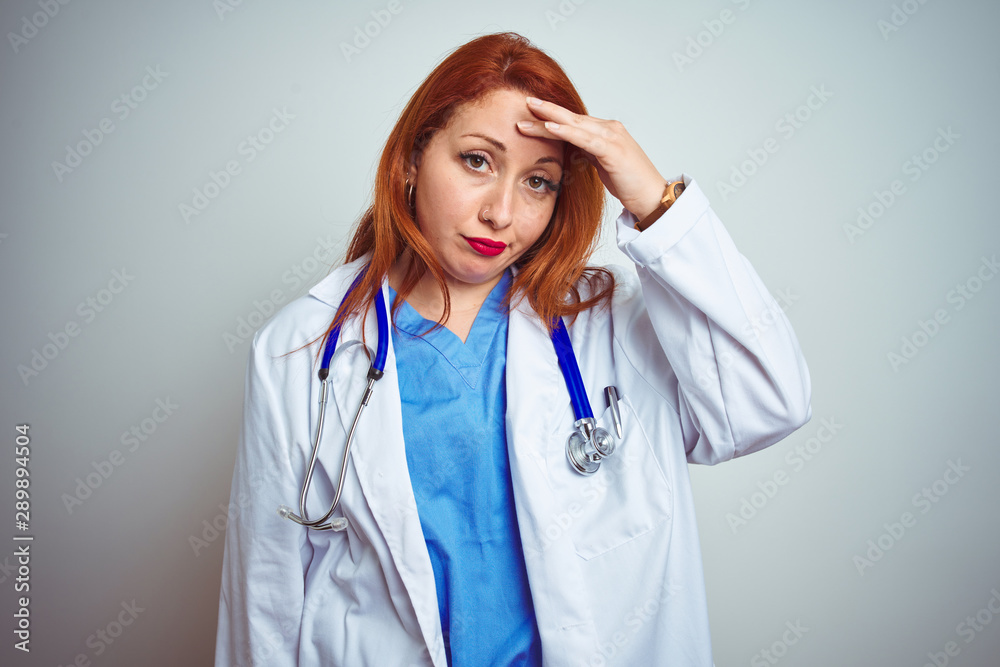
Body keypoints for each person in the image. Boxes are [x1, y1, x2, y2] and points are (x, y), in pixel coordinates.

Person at [215, 31, 811, 667]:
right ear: (413, 158)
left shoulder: (609, 324)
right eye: (477, 160)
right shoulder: (303, 350)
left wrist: (655, 202)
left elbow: (769, 403)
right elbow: (266, 597)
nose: (501, 212)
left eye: (539, 182)